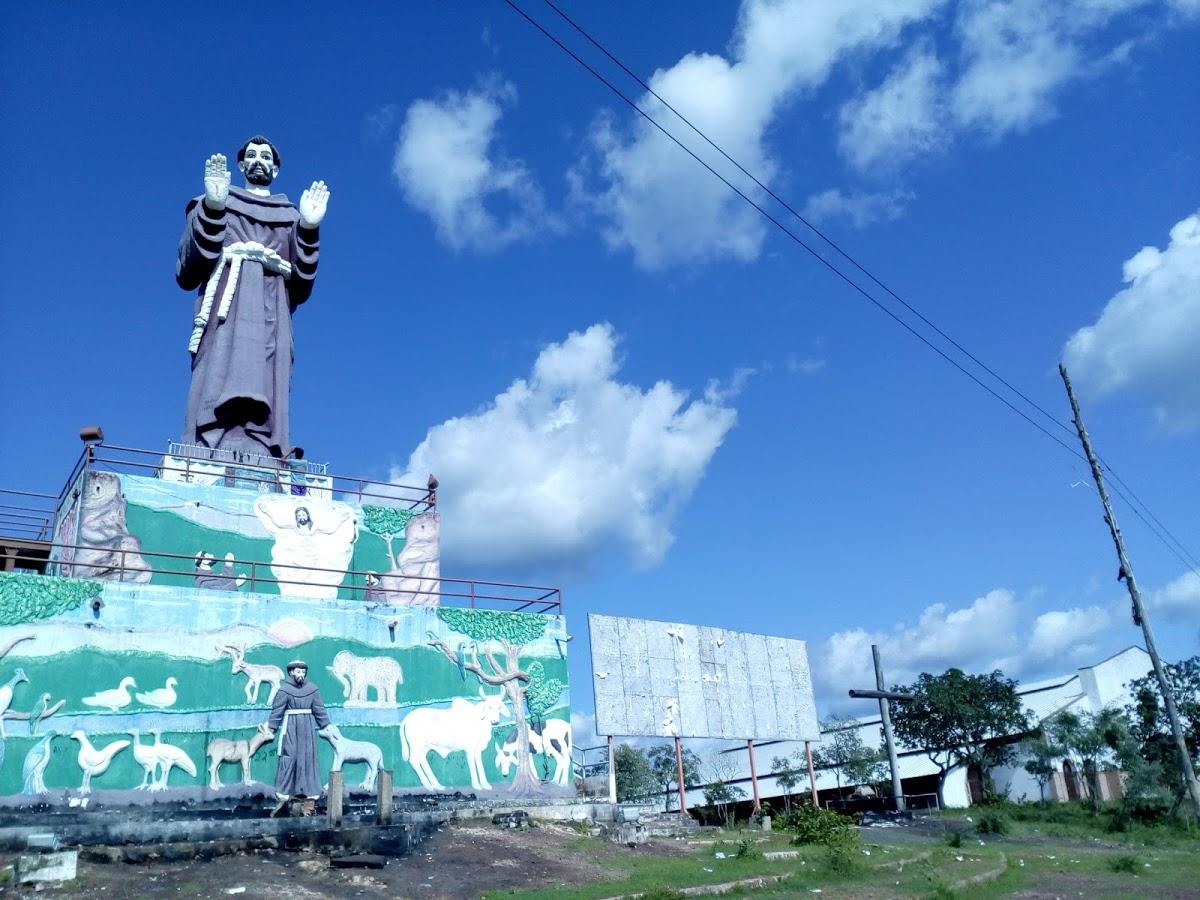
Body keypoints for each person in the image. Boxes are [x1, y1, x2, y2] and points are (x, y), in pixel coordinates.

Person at [176, 135, 330, 458]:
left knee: (269, 375)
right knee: (217, 368)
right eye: (253, 155)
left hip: (271, 311)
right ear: (242, 165)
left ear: (275, 169)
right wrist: (214, 207)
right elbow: (188, 269)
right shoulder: (219, 199)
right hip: (225, 309)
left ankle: (263, 448)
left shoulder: (288, 215)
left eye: (266, 157)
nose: (259, 160)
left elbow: (302, 282)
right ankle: (206, 447)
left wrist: (308, 228)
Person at [261, 660, 330, 815]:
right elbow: (277, 711)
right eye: (298, 672)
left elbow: (319, 710)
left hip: (307, 729)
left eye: (303, 672)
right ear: (291, 672)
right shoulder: (284, 690)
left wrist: (327, 725)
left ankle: (309, 795)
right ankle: (285, 794)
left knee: (307, 759)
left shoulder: (312, 689)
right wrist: (271, 727)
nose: (301, 675)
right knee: (289, 758)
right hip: (291, 728)